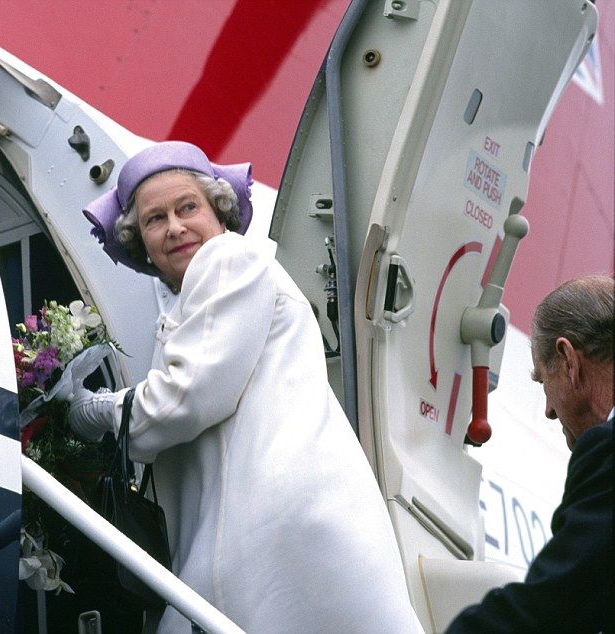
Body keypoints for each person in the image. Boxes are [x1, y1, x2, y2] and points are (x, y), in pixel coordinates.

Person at [69, 141, 421, 632]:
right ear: (139, 241)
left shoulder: (227, 258)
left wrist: (99, 410)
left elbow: (182, 400)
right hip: (274, 534)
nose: (174, 227)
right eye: (154, 219)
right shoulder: (193, 297)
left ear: (219, 212)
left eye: (187, 206)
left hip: (268, 534)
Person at [447, 275, 613, 633]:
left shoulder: (607, 453)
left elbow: (554, 604)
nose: (549, 411)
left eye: (541, 382)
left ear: (568, 360)